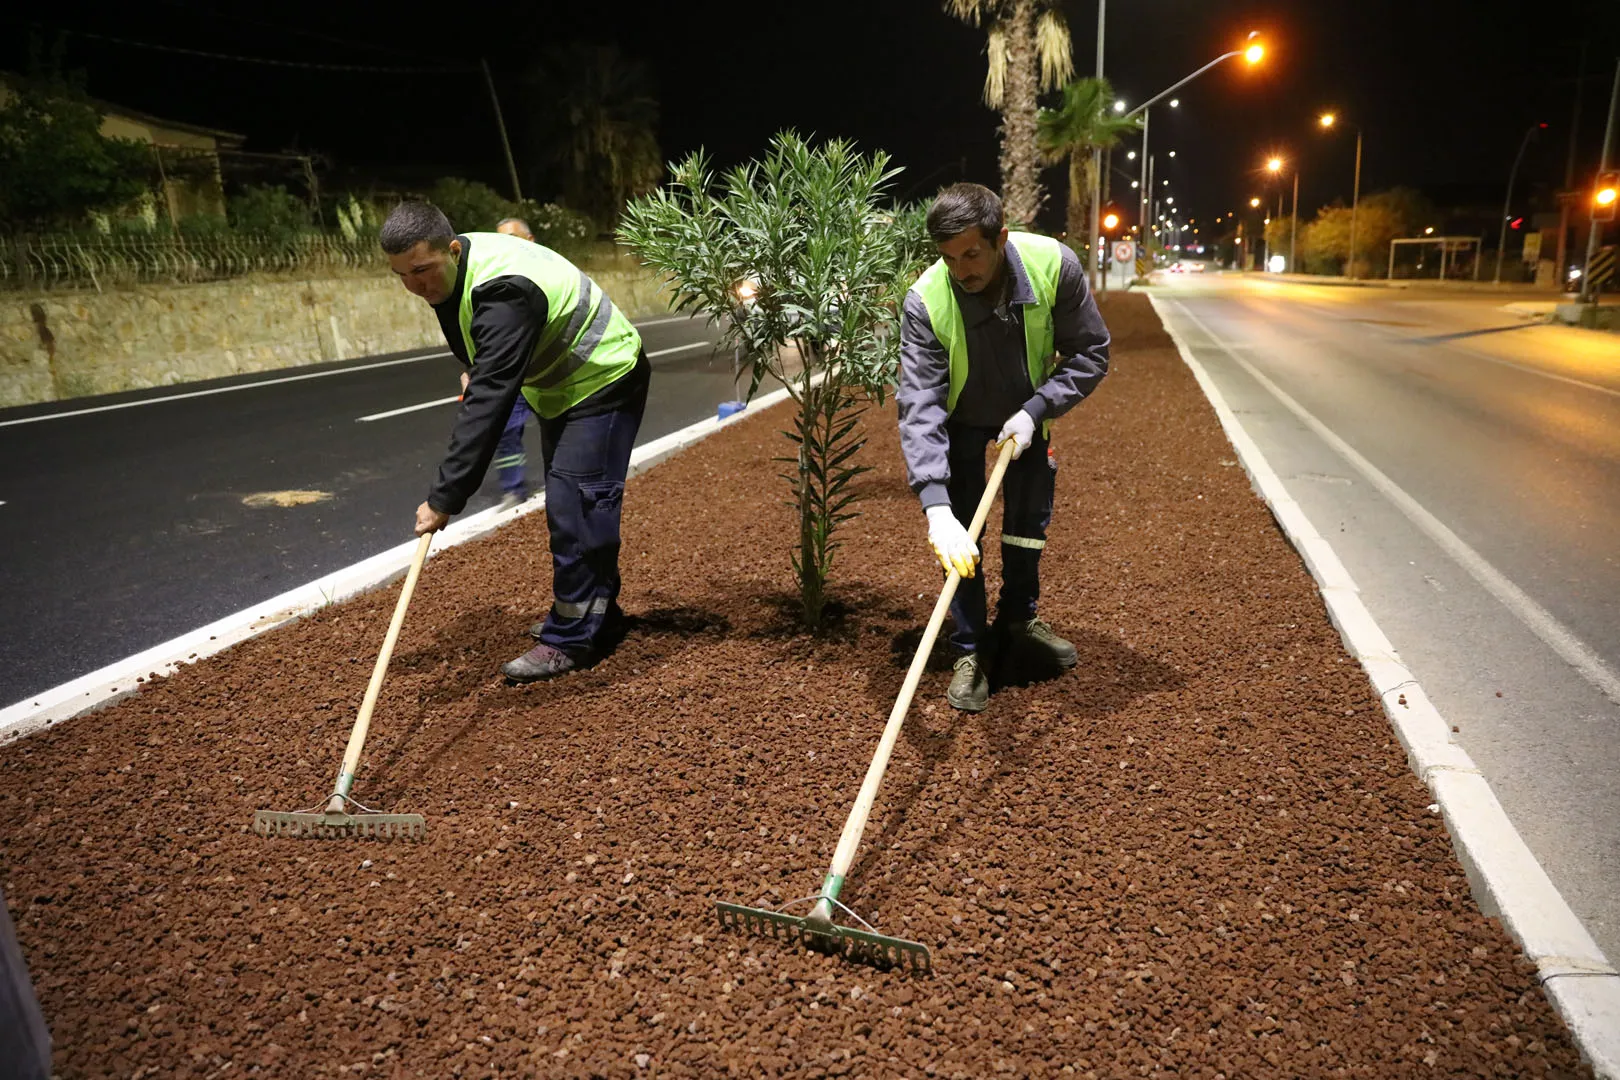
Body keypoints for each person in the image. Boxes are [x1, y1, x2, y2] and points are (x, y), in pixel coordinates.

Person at [380, 201, 650, 682]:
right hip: (561, 388)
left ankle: (571, 638)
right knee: (575, 505)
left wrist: (445, 498)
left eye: (421, 270)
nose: (414, 286)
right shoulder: (460, 268)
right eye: (401, 275)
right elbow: (483, 355)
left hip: (604, 378)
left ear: (453, 248)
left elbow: (490, 404)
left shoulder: (503, 291)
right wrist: (478, 366)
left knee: (578, 508)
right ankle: (595, 617)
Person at [896, 183, 1111, 712]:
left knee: (1027, 528)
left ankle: (1018, 621)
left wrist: (1036, 409)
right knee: (962, 545)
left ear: (1001, 239)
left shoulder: (1053, 266)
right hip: (961, 428)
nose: (961, 269)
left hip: (1025, 420)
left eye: (972, 253)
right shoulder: (927, 300)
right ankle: (969, 649)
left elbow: (1090, 353)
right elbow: (919, 403)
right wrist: (936, 506)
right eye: (949, 257)